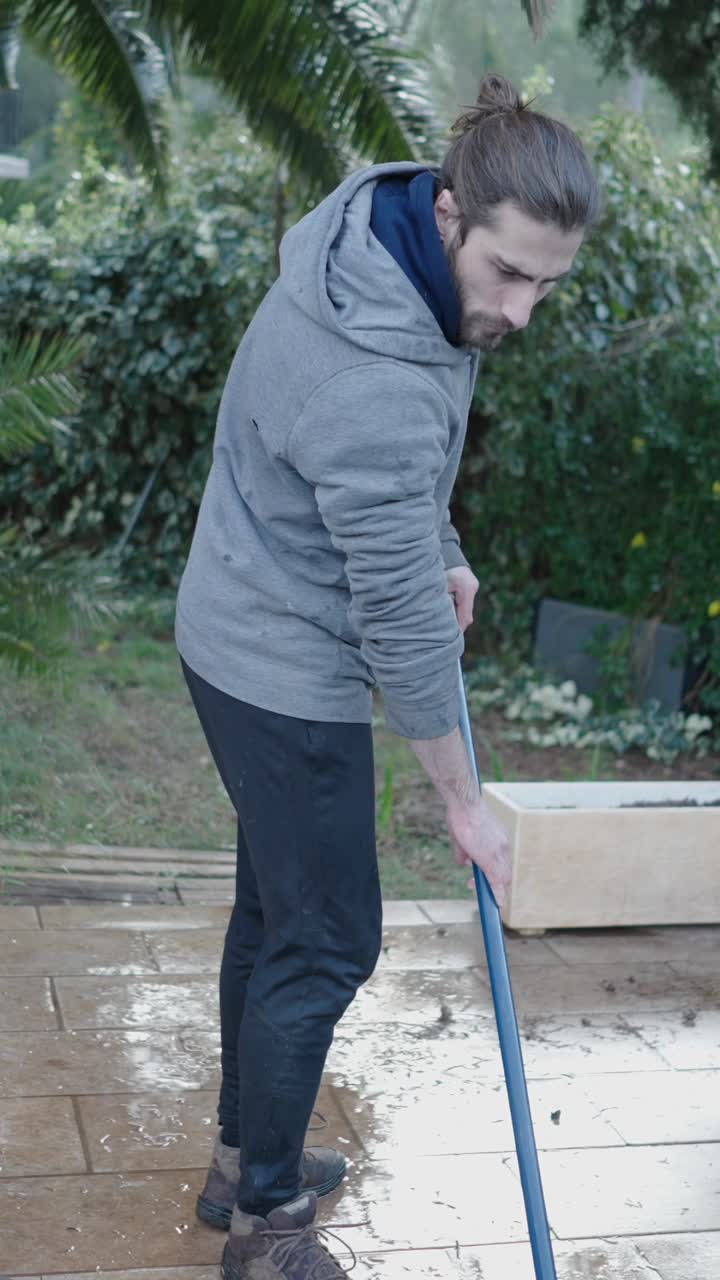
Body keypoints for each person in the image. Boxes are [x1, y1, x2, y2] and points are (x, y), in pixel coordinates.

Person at [175, 71, 600, 1280]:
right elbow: (403, 624)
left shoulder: (379, 240)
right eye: (507, 273)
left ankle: (242, 1159)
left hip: (231, 617)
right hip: (282, 663)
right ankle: (267, 1227)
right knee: (325, 940)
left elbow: (396, 487)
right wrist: (464, 802)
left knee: (278, 914)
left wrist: (441, 542)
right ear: (453, 213)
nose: (519, 310)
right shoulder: (376, 375)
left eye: (547, 285)